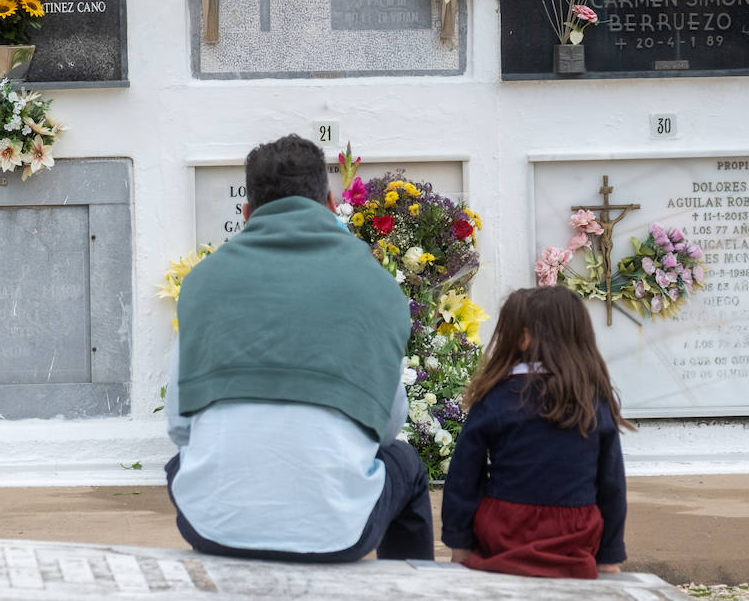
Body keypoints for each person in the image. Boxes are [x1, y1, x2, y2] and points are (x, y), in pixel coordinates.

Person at [164, 134, 434, 563]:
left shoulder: (202, 283)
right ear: (330, 205)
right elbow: (385, 430)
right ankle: (410, 588)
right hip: (339, 533)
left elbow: (180, 428)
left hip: (213, 527)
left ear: (247, 213)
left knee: (185, 464)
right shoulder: (377, 287)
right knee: (406, 464)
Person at [441, 284, 631, 579]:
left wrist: (460, 545)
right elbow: (612, 484)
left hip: (505, 531)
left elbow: (464, 475)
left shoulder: (496, 396)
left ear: (524, 337)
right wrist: (609, 556)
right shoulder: (592, 400)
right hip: (576, 535)